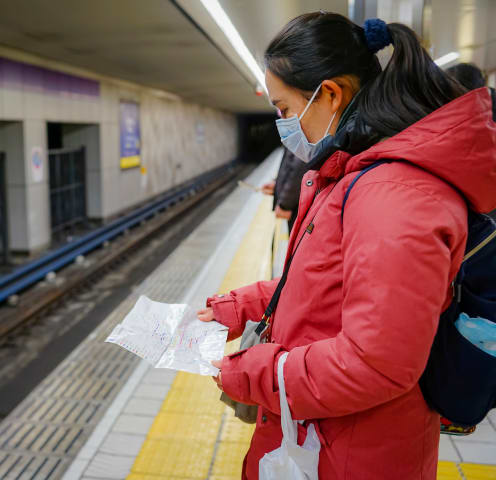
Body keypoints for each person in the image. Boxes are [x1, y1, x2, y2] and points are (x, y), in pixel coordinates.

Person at [198, 12, 496, 479]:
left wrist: (255, 372)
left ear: (330, 94)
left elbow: (377, 363)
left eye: (284, 109)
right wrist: (238, 306)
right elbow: (330, 281)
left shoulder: (394, 194)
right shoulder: (357, 174)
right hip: (329, 439)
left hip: (356, 453)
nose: (283, 124)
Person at [261, 149, 309, 230]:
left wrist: (285, 205)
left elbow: (298, 171)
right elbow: (290, 165)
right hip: (298, 203)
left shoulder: (302, 138)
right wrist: (276, 185)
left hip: (297, 207)